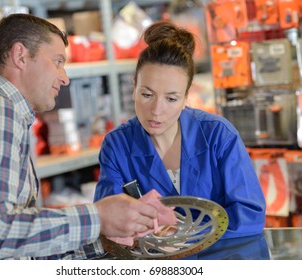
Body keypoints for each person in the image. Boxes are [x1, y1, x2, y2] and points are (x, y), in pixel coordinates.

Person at [0, 13, 158, 260]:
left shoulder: (2, 114)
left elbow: (18, 248)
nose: (65, 78)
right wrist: (97, 217)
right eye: (58, 61)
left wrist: (109, 241)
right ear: (20, 56)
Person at [94, 21, 266, 239]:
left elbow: (250, 215)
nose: (156, 110)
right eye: (147, 94)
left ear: (186, 97)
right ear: (134, 86)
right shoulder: (118, 145)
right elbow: (109, 223)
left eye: (171, 99)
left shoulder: (218, 135)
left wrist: (183, 237)